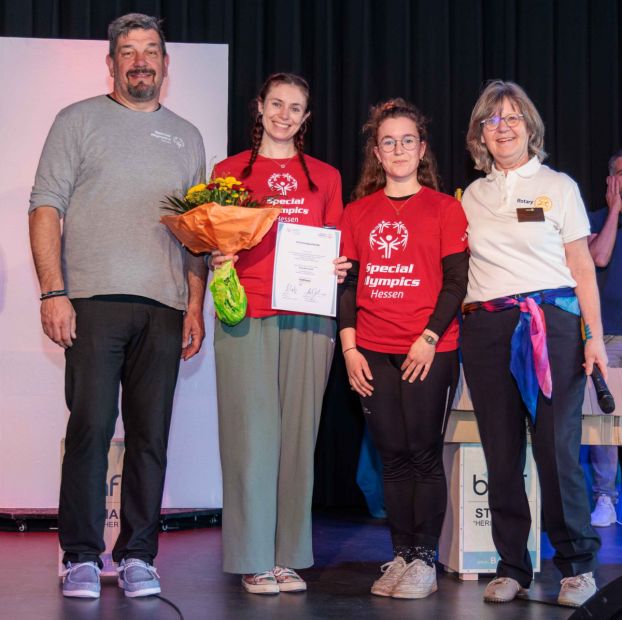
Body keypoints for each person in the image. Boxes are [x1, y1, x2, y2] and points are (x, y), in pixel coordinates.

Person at [28, 13, 207, 599]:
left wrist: (195, 306)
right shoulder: (76, 120)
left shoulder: (187, 136)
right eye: (127, 51)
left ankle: (138, 555)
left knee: (151, 435)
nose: (140, 61)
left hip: (164, 308)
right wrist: (53, 291)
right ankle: (80, 554)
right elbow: (45, 206)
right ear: (110, 63)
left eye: (150, 51)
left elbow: (197, 234)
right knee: (91, 430)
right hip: (91, 303)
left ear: (164, 64)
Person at [461, 80, 605, 608]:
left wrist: (593, 338)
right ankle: (512, 566)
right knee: (500, 453)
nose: (503, 127)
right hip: (486, 330)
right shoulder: (470, 196)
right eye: (492, 119)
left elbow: (583, 267)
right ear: (480, 132)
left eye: (513, 117)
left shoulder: (557, 185)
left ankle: (576, 566)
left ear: (530, 126)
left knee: (557, 449)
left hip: (552, 326)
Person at [209, 73, 347, 594]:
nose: (284, 115)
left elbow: (338, 244)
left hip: (309, 318)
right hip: (246, 313)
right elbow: (211, 236)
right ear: (259, 108)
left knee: (296, 440)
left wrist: (339, 266)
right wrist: (215, 251)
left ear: (305, 118)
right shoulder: (225, 173)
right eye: (276, 104)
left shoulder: (326, 178)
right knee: (250, 439)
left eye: (295, 108)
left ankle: (288, 555)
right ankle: (250, 556)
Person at [339, 99, 468, 599]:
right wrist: (350, 350)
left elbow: (456, 282)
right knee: (391, 456)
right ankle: (400, 555)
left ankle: (424, 560)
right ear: (377, 150)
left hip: (428, 349)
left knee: (422, 454)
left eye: (407, 140)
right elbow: (347, 287)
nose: (398, 148)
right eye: (388, 141)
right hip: (370, 350)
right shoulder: (357, 212)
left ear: (422, 149)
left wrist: (429, 339)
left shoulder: (445, 208)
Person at [587, 149, 622, 528]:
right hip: (608, 335)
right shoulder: (595, 220)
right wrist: (614, 210)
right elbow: (599, 257)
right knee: (605, 424)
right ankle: (605, 498)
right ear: (611, 181)